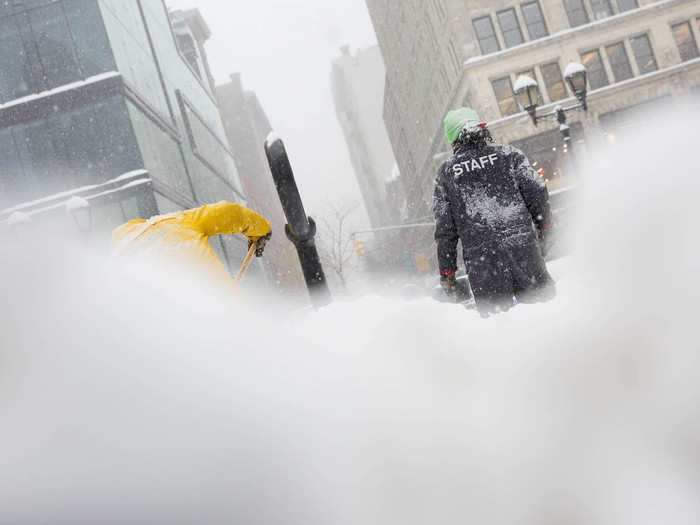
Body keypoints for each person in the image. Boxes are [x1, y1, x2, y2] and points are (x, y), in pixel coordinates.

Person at [433, 107, 555, 316]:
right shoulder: (509, 156)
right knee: (547, 314)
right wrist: (544, 228)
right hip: (523, 249)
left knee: (501, 328)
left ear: (453, 140)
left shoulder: (447, 174)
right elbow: (537, 191)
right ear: (481, 129)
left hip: (483, 263)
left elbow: (445, 231)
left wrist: (448, 273)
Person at [112, 201, 272, 286]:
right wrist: (260, 231)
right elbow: (228, 213)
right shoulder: (173, 222)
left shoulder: (116, 273)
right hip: (223, 303)